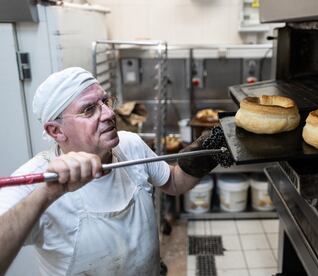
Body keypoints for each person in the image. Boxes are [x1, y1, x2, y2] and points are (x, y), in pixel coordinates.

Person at [0, 67, 218, 276]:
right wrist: (46, 194)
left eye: (105, 101)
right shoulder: (35, 179)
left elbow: (173, 181)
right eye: (88, 110)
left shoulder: (130, 145)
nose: (108, 113)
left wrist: (212, 146)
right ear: (56, 130)